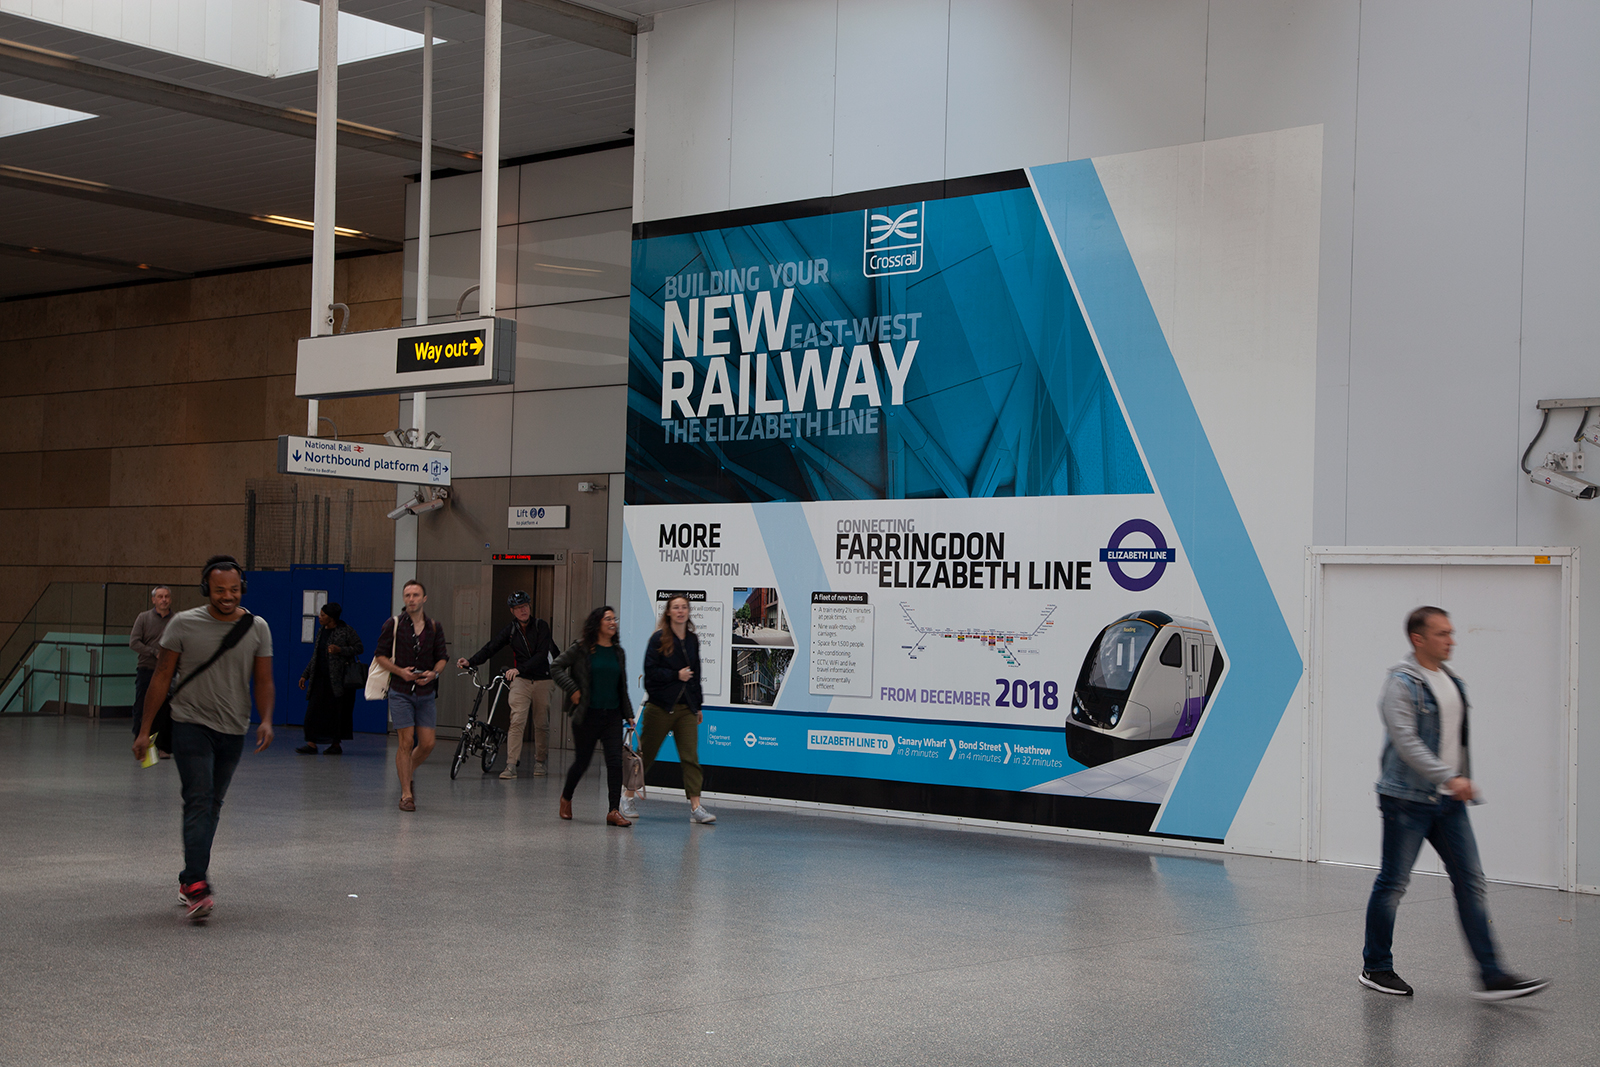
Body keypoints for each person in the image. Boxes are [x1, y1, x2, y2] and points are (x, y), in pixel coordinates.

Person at [1359, 606, 1550, 1001]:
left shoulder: (1452, 681)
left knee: (1471, 883)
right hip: (1406, 800)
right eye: (1443, 633)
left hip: (1447, 803)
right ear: (1419, 639)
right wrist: (1450, 776)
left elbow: (1454, 741)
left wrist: (1455, 779)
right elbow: (1407, 742)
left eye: (1451, 632)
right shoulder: (1401, 683)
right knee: (1393, 884)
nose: (1452, 640)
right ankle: (1376, 967)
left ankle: (1491, 975)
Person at [133, 555, 273, 922]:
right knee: (198, 799)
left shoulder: (257, 628)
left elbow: (263, 679)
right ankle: (197, 882)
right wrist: (145, 729)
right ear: (206, 589)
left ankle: (187, 878)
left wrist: (267, 719)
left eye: (233, 589)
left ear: (242, 588)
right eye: (219, 589)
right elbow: (161, 676)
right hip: (190, 723)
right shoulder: (183, 624)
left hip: (233, 726)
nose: (227, 596)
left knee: (213, 803)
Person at [622, 594, 715, 824]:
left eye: (684, 607)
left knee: (690, 757)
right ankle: (627, 797)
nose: (681, 611)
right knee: (646, 756)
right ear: (669, 612)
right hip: (660, 707)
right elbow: (650, 674)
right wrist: (676, 675)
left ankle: (696, 807)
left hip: (686, 709)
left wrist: (698, 706)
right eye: (676, 607)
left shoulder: (692, 640)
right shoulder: (658, 639)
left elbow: (696, 675)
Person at [456, 591, 558, 779]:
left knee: (541, 723)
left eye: (525, 606)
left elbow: (542, 654)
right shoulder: (511, 630)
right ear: (512, 611)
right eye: (518, 608)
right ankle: (511, 765)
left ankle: (540, 762)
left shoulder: (541, 626)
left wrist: (519, 669)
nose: (523, 610)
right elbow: (491, 647)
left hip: (544, 679)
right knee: (517, 720)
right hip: (521, 681)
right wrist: (471, 661)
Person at [551, 606, 634, 826]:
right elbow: (556, 667)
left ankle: (613, 811)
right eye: (608, 619)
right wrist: (573, 689)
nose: (613, 622)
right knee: (582, 762)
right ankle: (566, 797)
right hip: (587, 714)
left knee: (615, 762)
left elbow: (621, 686)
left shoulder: (618, 652)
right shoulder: (581, 648)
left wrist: (629, 714)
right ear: (597, 623)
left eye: (614, 618)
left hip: (613, 715)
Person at [376, 580, 448, 812]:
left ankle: (407, 772)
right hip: (401, 691)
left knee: (427, 744)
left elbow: (442, 657)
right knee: (406, 742)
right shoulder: (394, 624)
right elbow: (380, 656)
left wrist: (434, 673)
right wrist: (400, 672)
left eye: (416, 595)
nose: (411, 599)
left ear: (424, 598)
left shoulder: (434, 627)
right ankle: (406, 794)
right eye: (407, 595)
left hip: (426, 691)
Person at [296, 603, 363, 755]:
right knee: (313, 711)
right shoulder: (321, 631)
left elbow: (359, 648)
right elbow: (316, 656)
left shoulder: (346, 631)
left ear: (331, 618)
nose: (320, 617)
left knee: (336, 713)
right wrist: (305, 674)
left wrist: (341, 650)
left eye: (323, 615)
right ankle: (311, 743)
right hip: (320, 678)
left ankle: (335, 744)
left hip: (338, 681)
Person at [129, 585, 175, 758]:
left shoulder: (176, 620)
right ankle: (142, 745)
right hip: (147, 669)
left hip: (168, 672)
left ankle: (164, 747)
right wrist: (154, 652)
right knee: (143, 707)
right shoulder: (144, 618)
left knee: (166, 710)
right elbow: (134, 642)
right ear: (154, 599)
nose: (164, 600)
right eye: (160, 596)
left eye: (167, 596)